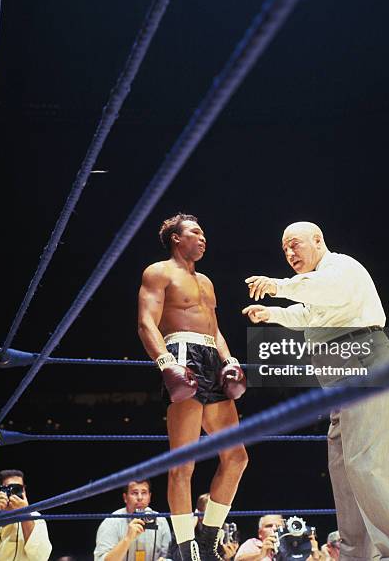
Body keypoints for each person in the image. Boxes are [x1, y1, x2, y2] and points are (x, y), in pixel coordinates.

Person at [242, 221, 389, 561]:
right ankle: (357, 556)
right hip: (340, 376)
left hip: (364, 361)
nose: (290, 253)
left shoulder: (341, 268)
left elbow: (321, 290)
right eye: (284, 250)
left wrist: (279, 285)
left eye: (295, 244)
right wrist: (274, 313)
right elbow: (311, 313)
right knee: (344, 470)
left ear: (318, 240)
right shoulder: (318, 285)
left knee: (368, 467)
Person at [138, 213, 248, 561]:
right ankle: (186, 550)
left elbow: (214, 330)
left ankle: (207, 537)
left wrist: (230, 361)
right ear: (176, 238)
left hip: (212, 357)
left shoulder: (207, 282)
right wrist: (166, 364)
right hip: (181, 353)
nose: (203, 239)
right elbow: (145, 324)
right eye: (195, 233)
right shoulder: (158, 272)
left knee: (237, 457)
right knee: (184, 464)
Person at [93, 479, 172, 561]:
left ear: (150, 497)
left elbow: (169, 556)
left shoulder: (161, 520)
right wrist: (127, 539)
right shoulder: (111, 522)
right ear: (125, 497)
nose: (140, 497)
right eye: (135, 493)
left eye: (144, 493)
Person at [235, 515, 321, 561]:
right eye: (269, 526)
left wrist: (313, 551)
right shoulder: (252, 544)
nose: (274, 528)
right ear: (260, 533)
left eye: (278, 526)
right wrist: (261, 554)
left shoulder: (294, 546)